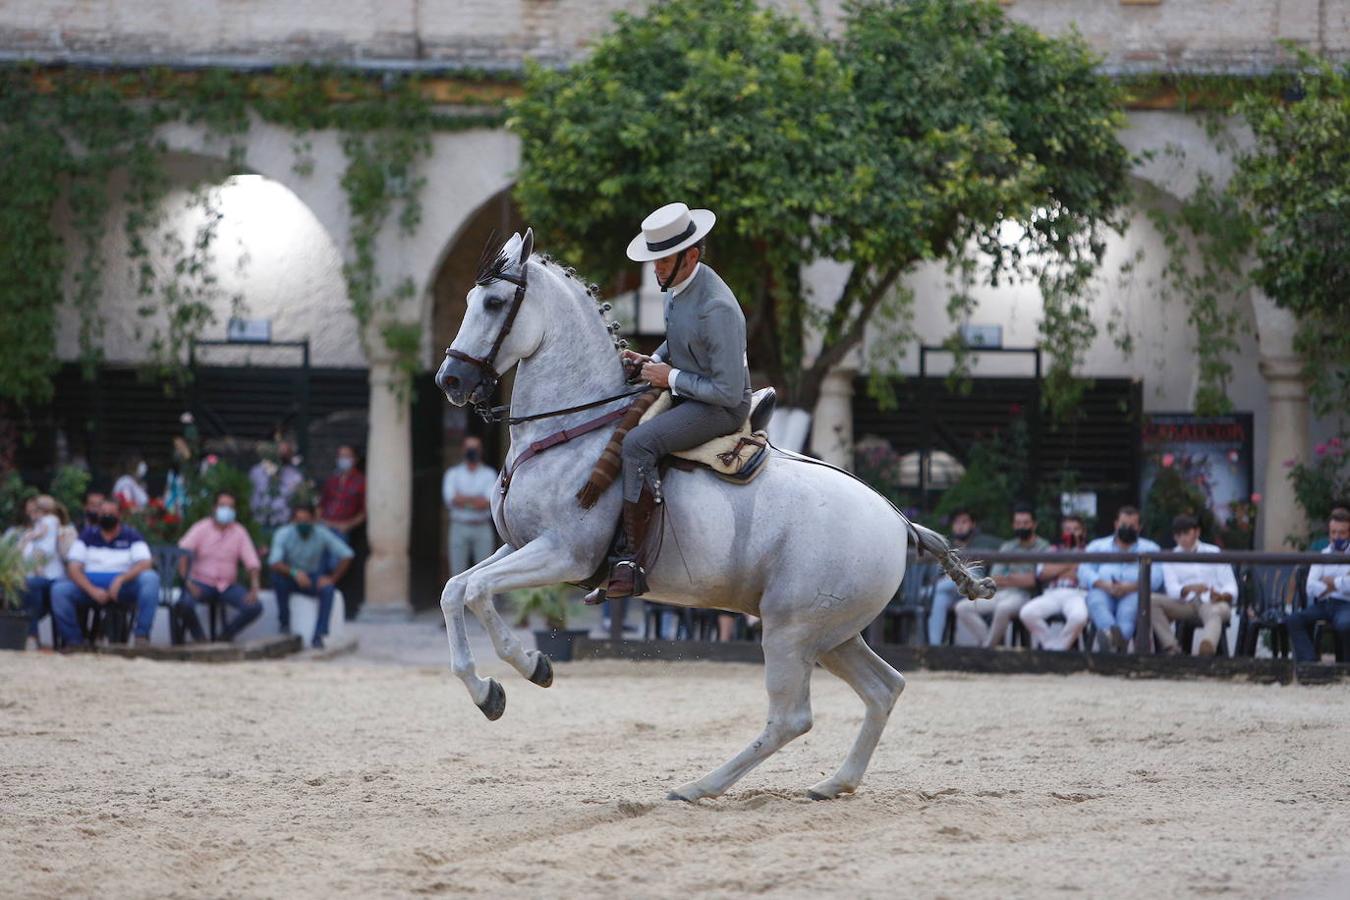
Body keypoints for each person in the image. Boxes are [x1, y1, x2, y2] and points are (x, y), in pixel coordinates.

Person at [605, 202, 753, 599]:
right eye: (653, 259)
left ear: (690, 256)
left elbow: (726, 391)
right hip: (689, 390)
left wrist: (668, 377)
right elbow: (679, 340)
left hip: (720, 408)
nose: (654, 268)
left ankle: (631, 560)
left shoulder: (717, 307)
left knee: (637, 443)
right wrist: (651, 361)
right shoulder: (676, 289)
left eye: (662, 260)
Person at [51, 498, 160, 649]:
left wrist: (121, 579)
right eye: (103, 513)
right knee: (60, 590)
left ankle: (141, 636)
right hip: (90, 584)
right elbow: (73, 567)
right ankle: (74, 642)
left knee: (151, 579)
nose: (106, 516)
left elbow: (145, 563)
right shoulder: (87, 536)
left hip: (124, 586)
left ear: (119, 515)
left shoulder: (131, 535)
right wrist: (92, 590)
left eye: (110, 513)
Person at [955, 504, 1050, 647]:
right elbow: (995, 577)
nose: (1021, 527)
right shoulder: (1008, 546)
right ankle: (992, 645)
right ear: (1013, 525)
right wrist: (1018, 578)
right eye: (1018, 523)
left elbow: (1033, 581)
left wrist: (1011, 578)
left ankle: (987, 649)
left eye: (1025, 523)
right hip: (999, 593)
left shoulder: (1043, 547)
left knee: (1003, 608)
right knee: (962, 608)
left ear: (1034, 525)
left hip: (1026, 596)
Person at [175, 490, 263, 643]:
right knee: (184, 604)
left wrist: (254, 587)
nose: (226, 510)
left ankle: (225, 637)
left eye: (230, 507)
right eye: (223, 506)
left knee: (254, 607)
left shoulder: (239, 532)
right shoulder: (201, 528)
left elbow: (252, 562)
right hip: (200, 582)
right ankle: (200, 639)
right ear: (214, 508)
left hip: (227, 586)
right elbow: (182, 553)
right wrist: (187, 581)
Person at [1078, 505, 1162, 652]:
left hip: (1134, 592)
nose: (1127, 528)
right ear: (1116, 524)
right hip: (1103, 589)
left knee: (1128, 613)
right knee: (1096, 602)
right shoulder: (1098, 545)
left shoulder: (1151, 548)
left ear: (1139, 527)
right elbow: (1084, 571)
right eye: (1123, 525)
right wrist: (1104, 584)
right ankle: (1116, 641)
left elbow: (1156, 578)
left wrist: (1129, 587)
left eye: (1132, 526)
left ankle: (1111, 643)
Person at [268, 502, 353, 649]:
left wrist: (332, 578)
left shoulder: (321, 533)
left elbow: (347, 555)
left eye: (306, 520)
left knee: (328, 589)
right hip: (290, 575)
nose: (303, 524)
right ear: (293, 521)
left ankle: (319, 635)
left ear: (313, 520)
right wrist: (295, 573)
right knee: (278, 580)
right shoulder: (283, 534)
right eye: (299, 520)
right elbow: (274, 562)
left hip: (311, 577)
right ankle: (284, 624)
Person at [1152, 514, 1238, 656]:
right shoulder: (1170, 557)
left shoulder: (1214, 552)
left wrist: (1222, 595)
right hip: (1186, 604)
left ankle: (1207, 646)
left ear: (1197, 532)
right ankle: (1171, 647)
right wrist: (1190, 588)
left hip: (1213, 602)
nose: (1182, 539)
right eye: (1178, 535)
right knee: (1150, 601)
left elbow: (1230, 585)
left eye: (1186, 533)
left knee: (1216, 612)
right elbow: (1172, 589)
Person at [926, 510, 1001, 645]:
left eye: (964, 522)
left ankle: (927, 591)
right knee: (940, 599)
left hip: (975, 591)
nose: (960, 526)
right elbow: (937, 573)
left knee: (968, 576)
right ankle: (934, 646)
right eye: (956, 522)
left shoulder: (982, 543)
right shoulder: (946, 546)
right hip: (952, 591)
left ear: (972, 524)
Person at [1285, 509, 1350, 663]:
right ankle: (1310, 664)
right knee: (1294, 620)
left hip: (1346, 605)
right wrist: (1340, 583)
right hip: (1324, 604)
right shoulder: (1324, 553)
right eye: (1333, 533)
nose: (1336, 537)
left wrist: (1331, 582)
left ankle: (1345, 667)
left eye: (1341, 533)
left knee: (1345, 625)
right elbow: (1310, 587)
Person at [1020, 514, 1092, 652]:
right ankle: (1052, 646)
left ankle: (1058, 649)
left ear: (1083, 532)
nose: (1071, 533)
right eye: (1067, 529)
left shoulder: (1090, 550)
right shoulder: (1052, 550)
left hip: (1078, 593)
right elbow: (1042, 573)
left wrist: (1057, 569)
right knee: (1027, 613)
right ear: (1063, 532)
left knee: (1079, 617)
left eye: (1076, 529)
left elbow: (1085, 576)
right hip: (1052, 593)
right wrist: (1071, 564)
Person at [442, 436, 499, 578]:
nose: (472, 451)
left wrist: (463, 499)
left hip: (482, 527)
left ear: (481, 451)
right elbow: (451, 499)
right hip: (459, 526)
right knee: (457, 574)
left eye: (475, 448)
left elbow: (486, 503)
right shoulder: (453, 474)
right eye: (469, 448)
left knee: (484, 574)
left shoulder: (489, 474)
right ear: (463, 450)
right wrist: (475, 501)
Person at [18, 495, 71, 648]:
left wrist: (30, 537)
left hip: (50, 576)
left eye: (35, 510)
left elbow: (44, 550)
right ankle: (30, 634)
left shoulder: (51, 522)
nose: (31, 514)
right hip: (34, 575)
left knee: (31, 586)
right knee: (28, 588)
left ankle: (32, 634)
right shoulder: (35, 527)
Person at [320, 444, 367, 611]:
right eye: (340, 456)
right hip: (324, 526)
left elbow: (364, 511)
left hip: (342, 528)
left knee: (338, 560)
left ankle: (331, 586)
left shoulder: (361, 481)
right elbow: (322, 504)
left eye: (346, 456)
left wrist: (348, 525)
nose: (343, 460)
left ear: (354, 459)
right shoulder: (332, 480)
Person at [249, 438, 305, 541]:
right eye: (279, 449)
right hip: (259, 522)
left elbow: (297, 501)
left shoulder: (295, 476)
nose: (281, 453)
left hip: (282, 523)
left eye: (286, 451)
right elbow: (250, 494)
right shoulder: (256, 471)